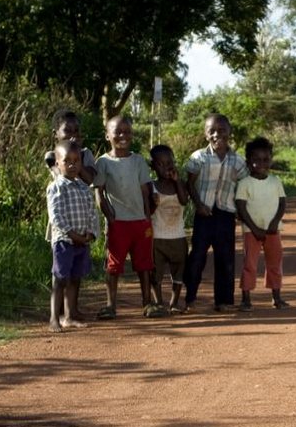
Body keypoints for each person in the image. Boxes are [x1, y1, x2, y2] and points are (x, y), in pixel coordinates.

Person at [93, 115, 159, 319]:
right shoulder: (103, 162)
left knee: (144, 265)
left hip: (140, 222)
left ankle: (147, 303)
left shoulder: (138, 160)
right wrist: (109, 217)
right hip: (117, 223)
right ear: (107, 136)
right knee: (113, 266)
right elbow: (99, 192)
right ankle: (110, 305)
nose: (123, 135)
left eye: (127, 131)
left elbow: (145, 191)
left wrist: (147, 218)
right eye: (118, 132)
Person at [183, 114, 248, 312]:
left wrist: (239, 210)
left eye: (221, 130)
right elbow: (190, 183)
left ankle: (224, 301)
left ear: (229, 132)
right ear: (205, 134)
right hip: (204, 214)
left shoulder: (238, 161)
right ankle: (190, 298)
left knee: (225, 258)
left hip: (226, 215)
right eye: (212, 131)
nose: (216, 134)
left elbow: (243, 187)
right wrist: (198, 204)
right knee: (197, 257)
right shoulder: (199, 157)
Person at [46, 141, 99, 332]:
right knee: (60, 279)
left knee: (76, 278)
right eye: (66, 161)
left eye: (76, 161)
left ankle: (69, 316)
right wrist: (72, 234)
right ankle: (54, 318)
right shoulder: (56, 188)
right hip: (64, 241)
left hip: (82, 241)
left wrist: (91, 233)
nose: (72, 165)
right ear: (57, 164)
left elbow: (92, 212)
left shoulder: (84, 188)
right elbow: (56, 216)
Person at [235, 136, 288, 311]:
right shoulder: (244, 184)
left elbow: (282, 204)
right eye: (256, 160)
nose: (262, 163)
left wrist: (274, 223)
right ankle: (246, 299)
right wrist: (254, 228)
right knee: (249, 264)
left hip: (273, 230)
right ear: (248, 162)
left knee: (274, 263)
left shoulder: (276, 181)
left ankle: (277, 297)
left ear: (271, 160)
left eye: (266, 159)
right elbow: (241, 208)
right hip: (252, 231)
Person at [149, 144, 189, 315]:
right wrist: (153, 202)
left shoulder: (179, 184)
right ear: (153, 167)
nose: (166, 167)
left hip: (178, 237)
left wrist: (177, 181)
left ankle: (174, 302)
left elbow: (184, 201)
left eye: (169, 162)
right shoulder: (151, 187)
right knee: (155, 273)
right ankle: (159, 302)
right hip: (157, 238)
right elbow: (148, 211)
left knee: (179, 271)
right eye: (161, 164)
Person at [44, 109, 96, 185]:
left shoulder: (86, 154)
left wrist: (77, 152)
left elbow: (90, 179)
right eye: (67, 130)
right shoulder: (51, 156)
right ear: (55, 133)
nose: (73, 134)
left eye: (76, 130)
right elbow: (62, 177)